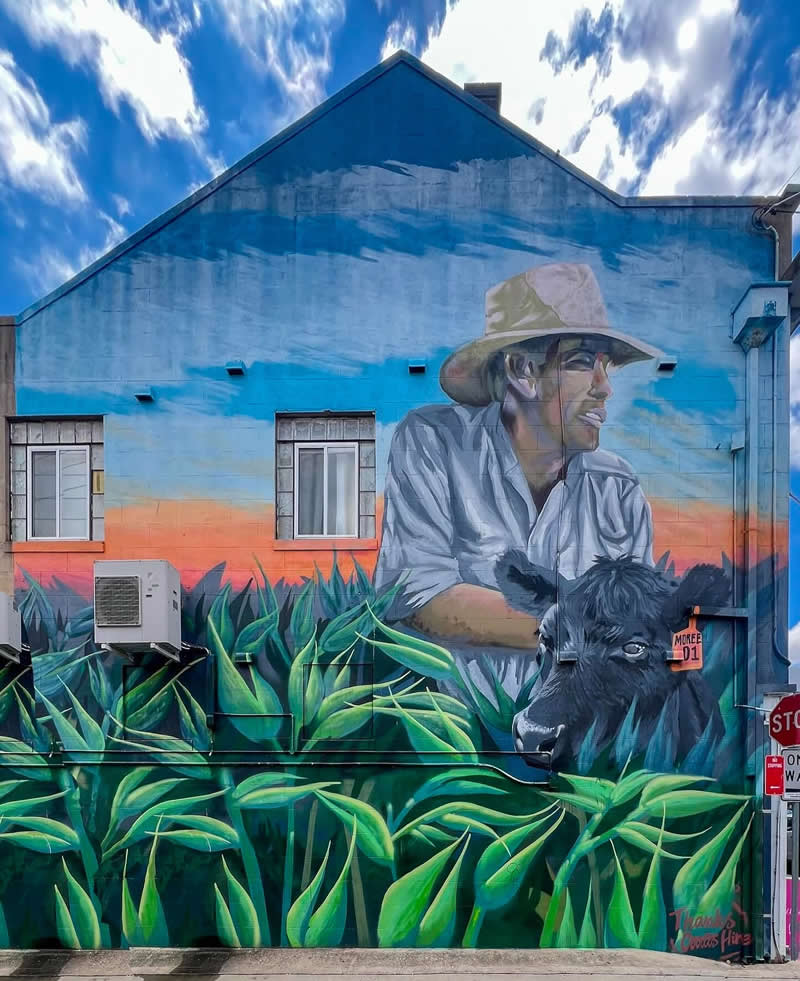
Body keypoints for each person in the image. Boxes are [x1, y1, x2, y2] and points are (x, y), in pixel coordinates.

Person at [374, 262, 663, 701]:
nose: (605, 388)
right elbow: (417, 598)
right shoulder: (435, 442)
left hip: (582, 743)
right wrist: (590, 630)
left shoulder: (617, 488)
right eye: (583, 362)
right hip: (462, 745)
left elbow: (638, 631)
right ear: (523, 370)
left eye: (607, 367)